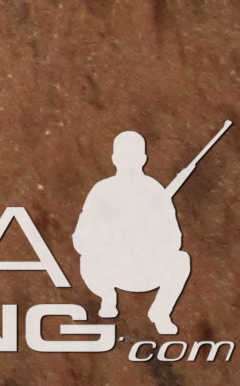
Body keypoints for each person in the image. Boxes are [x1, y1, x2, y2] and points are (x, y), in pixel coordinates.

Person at [74, 131, 194, 335]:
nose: (129, 161)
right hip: (111, 270)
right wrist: (110, 239)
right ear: (114, 159)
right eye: (124, 156)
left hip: (147, 270)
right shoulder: (102, 190)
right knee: (87, 260)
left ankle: (160, 312)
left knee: (181, 260)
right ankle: (107, 297)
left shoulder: (155, 192)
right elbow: (80, 239)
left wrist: (147, 238)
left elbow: (175, 240)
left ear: (143, 159)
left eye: (133, 156)